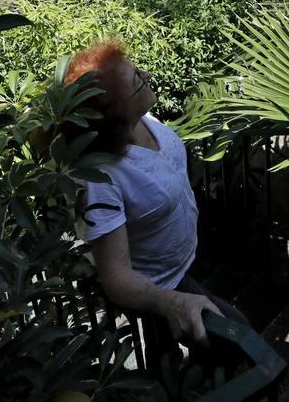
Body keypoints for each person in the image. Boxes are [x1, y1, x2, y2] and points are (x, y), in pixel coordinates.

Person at [67, 39, 245, 362]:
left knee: (211, 356)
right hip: (164, 285)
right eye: (137, 79)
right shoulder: (101, 178)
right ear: (117, 115)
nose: (147, 75)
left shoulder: (145, 122)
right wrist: (171, 303)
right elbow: (115, 276)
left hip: (188, 254)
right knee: (240, 338)